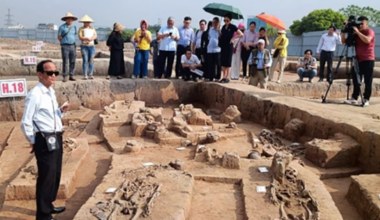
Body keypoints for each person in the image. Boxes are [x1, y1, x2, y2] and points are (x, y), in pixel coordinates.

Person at [21, 60, 69, 220]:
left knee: (55, 173)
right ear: (40, 74)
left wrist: (60, 111)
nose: (53, 76)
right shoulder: (35, 94)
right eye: (49, 73)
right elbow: (26, 121)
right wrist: (33, 140)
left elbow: (49, 116)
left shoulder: (50, 92)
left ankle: (48, 205)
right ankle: (43, 214)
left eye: (55, 73)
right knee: (46, 176)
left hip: (56, 136)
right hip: (44, 139)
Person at [342, 16, 375, 106]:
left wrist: (357, 32)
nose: (360, 25)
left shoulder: (369, 31)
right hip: (357, 59)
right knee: (356, 79)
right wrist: (344, 31)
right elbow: (344, 42)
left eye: (362, 24)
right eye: (359, 23)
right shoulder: (355, 33)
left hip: (368, 59)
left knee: (368, 81)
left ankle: (366, 99)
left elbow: (367, 40)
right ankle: (354, 97)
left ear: (366, 24)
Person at [219, 13, 243, 83]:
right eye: (224, 20)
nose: (226, 22)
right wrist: (218, 30)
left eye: (227, 20)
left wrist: (233, 38)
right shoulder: (223, 27)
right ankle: (223, 76)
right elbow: (221, 35)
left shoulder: (233, 26)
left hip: (229, 46)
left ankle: (227, 77)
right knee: (223, 62)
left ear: (230, 20)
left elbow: (241, 34)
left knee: (228, 62)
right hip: (223, 45)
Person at [57, 12, 77, 82]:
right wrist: (63, 43)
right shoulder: (62, 27)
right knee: (65, 61)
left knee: (73, 61)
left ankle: (71, 75)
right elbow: (59, 37)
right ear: (66, 20)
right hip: (65, 46)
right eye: (68, 19)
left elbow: (74, 35)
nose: (70, 20)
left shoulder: (74, 27)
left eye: (71, 19)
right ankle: (65, 76)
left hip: (72, 45)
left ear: (72, 20)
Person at [78, 14, 97, 80]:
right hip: (84, 46)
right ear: (84, 22)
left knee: (91, 60)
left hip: (92, 46)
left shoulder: (92, 28)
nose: (87, 23)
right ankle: (85, 74)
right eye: (86, 22)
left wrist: (91, 39)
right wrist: (86, 38)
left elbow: (95, 36)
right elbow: (80, 37)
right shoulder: (81, 29)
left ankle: (90, 74)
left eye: (88, 22)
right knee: (85, 60)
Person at [206, 17, 221, 82]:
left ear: (218, 23)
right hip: (210, 49)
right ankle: (211, 77)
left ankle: (217, 77)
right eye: (213, 22)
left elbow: (222, 37)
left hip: (217, 49)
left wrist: (218, 30)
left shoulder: (220, 30)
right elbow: (209, 37)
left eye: (215, 22)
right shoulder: (210, 29)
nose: (214, 24)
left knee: (218, 64)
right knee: (210, 64)